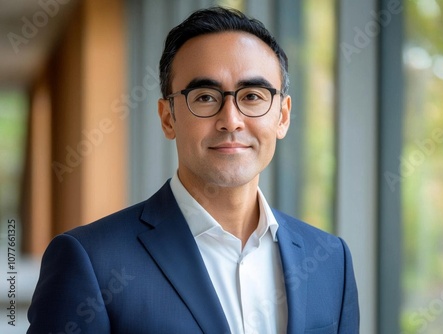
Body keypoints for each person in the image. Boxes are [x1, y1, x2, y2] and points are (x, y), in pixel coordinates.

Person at [28, 6, 359, 334]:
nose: (231, 120)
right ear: (168, 117)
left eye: (253, 96)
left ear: (282, 116)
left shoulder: (330, 261)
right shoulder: (91, 260)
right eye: (204, 97)